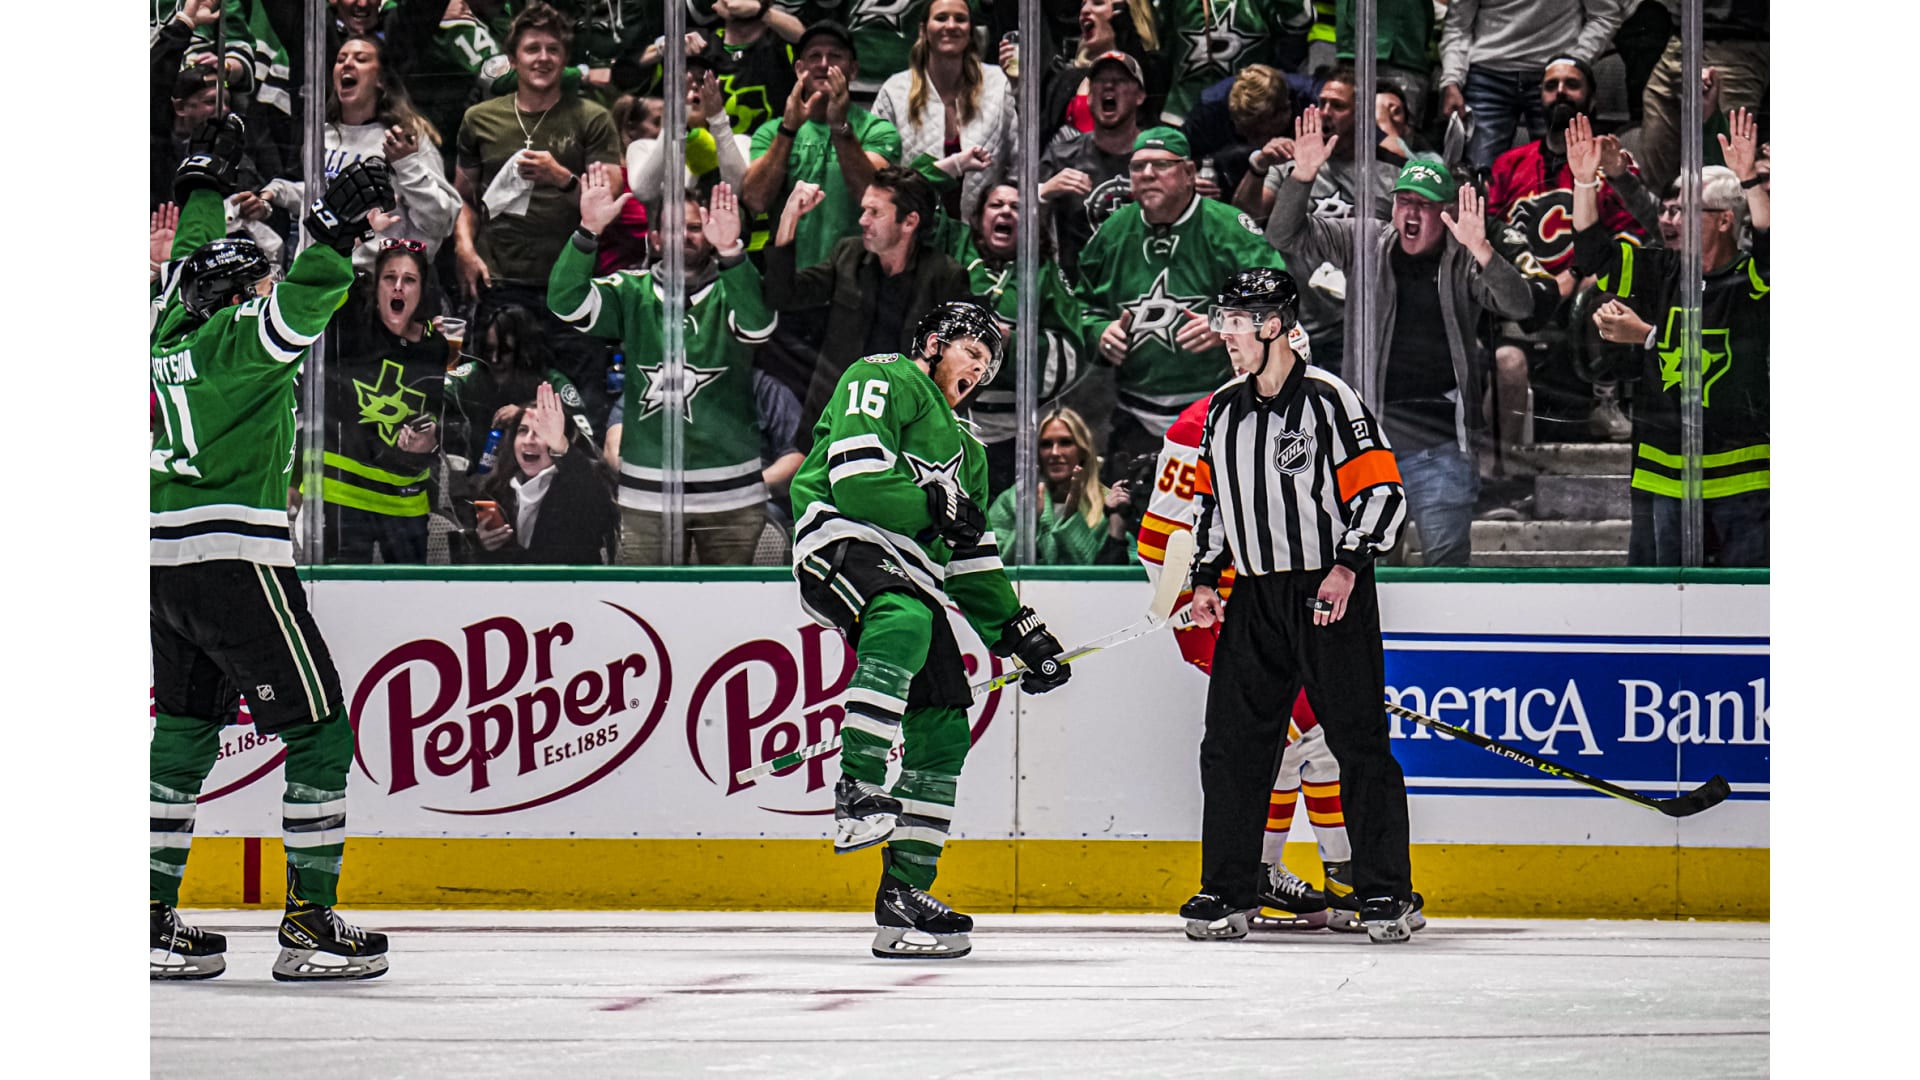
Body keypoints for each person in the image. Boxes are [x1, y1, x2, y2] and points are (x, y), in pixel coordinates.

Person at [150, 117, 394, 981]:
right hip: (236, 559)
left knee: (184, 732)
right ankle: (308, 925)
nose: (266, 289)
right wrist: (330, 230)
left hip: (161, 565)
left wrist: (201, 184)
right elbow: (304, 304)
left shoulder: (163, 334)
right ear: (234, 300)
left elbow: (190, 266)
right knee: (320, 732)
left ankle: (145, 919)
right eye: (256, 283)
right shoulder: (235, 346)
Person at [789, 302, 1072, 960]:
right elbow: (858, 484)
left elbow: (970, 562)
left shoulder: (969, 453)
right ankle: (858, 788)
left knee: (945, 722)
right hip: (843, 540)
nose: (979, 369)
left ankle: (904, 894)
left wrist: (1021, 634)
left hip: (912, 574)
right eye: (972, 351)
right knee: (905, 618)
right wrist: (932, 505)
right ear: (934, 342)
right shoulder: (883, 375)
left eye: (989, 365)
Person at [1180, 267, 1418, 944]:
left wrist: (1348, 565)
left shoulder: (1330, 400)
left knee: (1357, 741)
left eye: (1238, 322)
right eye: (1224, 320)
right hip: (1254, 594)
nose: (1227, 334)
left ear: (1276, 326)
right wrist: (1205, 578)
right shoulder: (1223, 410)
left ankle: (1385, 891)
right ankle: (1227, 889)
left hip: (1327, 590)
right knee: (1231, 746)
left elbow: (1383, 494)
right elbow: (1212, 506)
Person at [1267, 110, 1552, 566]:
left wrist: (1483, 250)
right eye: (1404, 202)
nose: (1412, 213)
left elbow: (1520, 305)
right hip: (1368, 445)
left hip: (1443, 447)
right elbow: (1284, 235)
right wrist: (1302, 177)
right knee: (1369, 571)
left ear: (1446, 213)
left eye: (1425, 205)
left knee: (1446, 569)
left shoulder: (1463, 258)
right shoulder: (1365, 240)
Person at [1136, 361, 1363, 933]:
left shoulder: (1310, 411)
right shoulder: (1202, 423)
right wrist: (1196, 603)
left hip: (1282, 614)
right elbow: (1161, 539)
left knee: (1294, 741)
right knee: (1308, 737)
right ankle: (1336, 881)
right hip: (1231, 619)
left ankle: (1269, 871)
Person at [1573, 111, 1768, 567]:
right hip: (1664, 469)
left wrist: (1749, 180)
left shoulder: (1753, 278)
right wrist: (1584, 182)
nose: (1671, 218)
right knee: (1667, 597)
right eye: (1671, 208)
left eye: (1686, 210)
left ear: (1724, 221)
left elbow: (1772, 244)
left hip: (1742, 474)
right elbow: (1594, 254)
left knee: (1743, 598)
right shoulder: (1661, 268)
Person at [551, 173, 777, 565]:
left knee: (728, 601)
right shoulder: (631, 291)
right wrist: (588, 232)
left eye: (694, 227)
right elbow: (565, 302)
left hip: (731, 493)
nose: (684, 236)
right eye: (672, 229)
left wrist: (732, 251)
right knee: (645, 598)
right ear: (653, 239)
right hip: (647, 493)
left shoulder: (733, 287)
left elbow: (759, 326)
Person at [1076, 126, 1289, 476]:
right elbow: (1080, 308)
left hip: (1216, 412)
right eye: (1137, 166)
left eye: (1161, 165)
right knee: (1131, 510)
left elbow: (1276, 294)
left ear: (1189, 173)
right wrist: (1098, 332)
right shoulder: (1112, 233)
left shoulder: (1229, 227)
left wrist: (1226, 324)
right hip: (1134, 418)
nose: (1147, 174)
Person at [1485, 57, 1658, 446]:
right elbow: (1491, 232)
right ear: (1540, 98)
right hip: (1526, 293)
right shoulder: (1509, 165)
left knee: (1610, 294)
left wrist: (1583, 275)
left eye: (1572, 84)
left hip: (1587, 291)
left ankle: (1605, 397)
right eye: (1551, 85)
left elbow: (1636, 233)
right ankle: (1502, 459)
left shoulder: (1609, 161)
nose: (1560, 91)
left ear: (1592, 100)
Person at [763, 165, 971, 441]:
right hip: (836, 418)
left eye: (874, 212)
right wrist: (788, 217)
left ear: (909, 222)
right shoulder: (848, 255)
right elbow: (781, 295)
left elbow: (964, 362)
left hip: (902, 429)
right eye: (864, 210)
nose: (862, 220)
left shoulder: (945, 277)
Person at [450, 4, 622, 317]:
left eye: (553, 49)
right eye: (532, 49)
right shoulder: (479, 118)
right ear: (513, 60)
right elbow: (463, 198)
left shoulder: (593, 118)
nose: (543, 58)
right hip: (497, 282)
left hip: (572, 282)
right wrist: (464, 248)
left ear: (565, 59)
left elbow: (606, 206)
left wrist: (561, 178)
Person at [929, 181, 1089, 497]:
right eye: (996, 204)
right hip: (944, 428)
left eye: (1016, 207)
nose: (1005, 211)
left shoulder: (1044, 272)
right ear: (978, 217)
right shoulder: (954, 245)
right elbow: (909, 202)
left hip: (1017, 437)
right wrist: (954, 167)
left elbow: (1072, 353)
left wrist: (1009, 344)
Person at [1242, 67, 1400, 371]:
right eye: (1322, 103)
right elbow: (1247, 217)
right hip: (1296, 322)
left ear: (1362, 114)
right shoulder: (1292, 165)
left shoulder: (1391, 175)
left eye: (1338, 106)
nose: (1325, 112)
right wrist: (1258, 166)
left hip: (1359, 327)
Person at [262, 35, 462, 270]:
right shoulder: (321, 136)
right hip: (314, 275)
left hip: (371, 278)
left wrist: (407, 165)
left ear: (380, 80)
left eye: (361, 59)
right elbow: (324, 199)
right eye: (341, 59)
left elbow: (441, 220)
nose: (347, 64)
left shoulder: (404, 137)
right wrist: (277, 192)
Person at [321, 240, 449, 563]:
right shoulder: (349, 322)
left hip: (405, 500)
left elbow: (436, 415)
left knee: (409, 593)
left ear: (422, 291)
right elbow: (325, 277)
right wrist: (353, 237)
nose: (398, 287)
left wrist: (429, 441)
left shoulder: (435, 347)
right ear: (376, 285)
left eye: (409, 280)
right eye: (389, 277)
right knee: (342, 592)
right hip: (344, 494)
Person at [741, 21, 903, 272]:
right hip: (792, 275)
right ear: (799, 69)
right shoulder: (772, 132)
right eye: (814, 56)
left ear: (853, 70)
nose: (824, 64)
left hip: (859, 275)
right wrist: (788, 130)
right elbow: (755, 200)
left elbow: (871, 197)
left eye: (835, 56)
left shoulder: (877, 130)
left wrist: (839, 127)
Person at [1436, 0, 1629, 174]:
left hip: (1555, 77)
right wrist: (1452, 80)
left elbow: (1604, 16)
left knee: (1565, 173)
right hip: (1487, 75)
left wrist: (1571, 63)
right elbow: (1458, 26)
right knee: (1479, 176)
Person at [872, 0, 1017, 224]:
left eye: (960, 19)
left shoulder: (998, 83)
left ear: (970, 31)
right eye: (941, 18)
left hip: (982, 234)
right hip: (916, 231)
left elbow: (1020, 163)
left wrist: (1019, 89)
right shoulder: (895, 90)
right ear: (923, 30)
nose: (951, 25)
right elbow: (880, 179)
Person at [468, 382, 620, 564]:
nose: (529, 440)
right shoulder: (496, 487)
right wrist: (484, 544)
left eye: (541, 432)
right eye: (523, 431)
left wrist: (561, 446)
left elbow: (593, 500)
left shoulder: (585, 481)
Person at [1036, 50, 1149, 278]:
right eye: (1099, 81)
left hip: (1146, 282)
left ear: (1139, 96)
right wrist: (1044, 192)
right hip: (1079, 289)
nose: (1108, 87)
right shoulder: (1062, 156)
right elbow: (1017, 209)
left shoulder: (1159, 155)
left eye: (1119, 80)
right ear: (1088, 96)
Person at [986, 408, 1129, 565]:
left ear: (1083, 451)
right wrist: (1029, 522)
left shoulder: (1108, 504)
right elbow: (992, 564)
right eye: (1046, 444)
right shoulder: (1013, 500)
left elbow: (1111, 573)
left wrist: (1071, 518)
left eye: (1065, 442)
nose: (1054, 452)